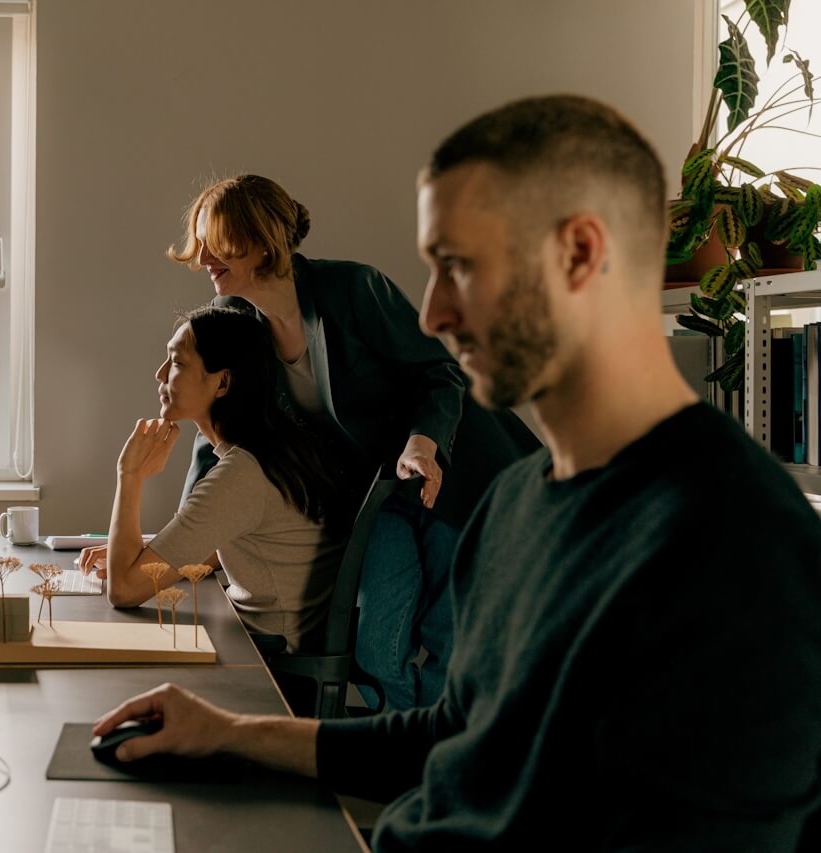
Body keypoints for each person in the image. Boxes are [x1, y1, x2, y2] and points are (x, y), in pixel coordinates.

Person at [91, 95, 821, 849]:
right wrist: (229, 732)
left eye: (458, 267)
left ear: (578, 252)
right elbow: (453, 735)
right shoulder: (513, 505)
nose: (433, 312)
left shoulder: (737, 541)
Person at [162, 173, 540, 710]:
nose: (201, 259)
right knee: (376, 649)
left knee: (449, 638)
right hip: (384, 496)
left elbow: (441, 374)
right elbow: (224, 430)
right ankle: (401, 755)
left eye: (213, 244)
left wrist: (423, 441)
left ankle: (435, 770)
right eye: (197, 245)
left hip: (455, 476)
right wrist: (182, 542)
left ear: (260, 239)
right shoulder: (242, 324)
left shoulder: (354, 290)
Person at [79, 305, 345, 654]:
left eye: (176, 363)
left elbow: (125, 591)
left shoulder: (242, 474)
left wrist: (129, 475)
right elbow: (221, 546)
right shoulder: (271, 450)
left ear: (223, 382)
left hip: (269, 663)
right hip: (261, 641)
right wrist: (144, 552)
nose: (160, 374)